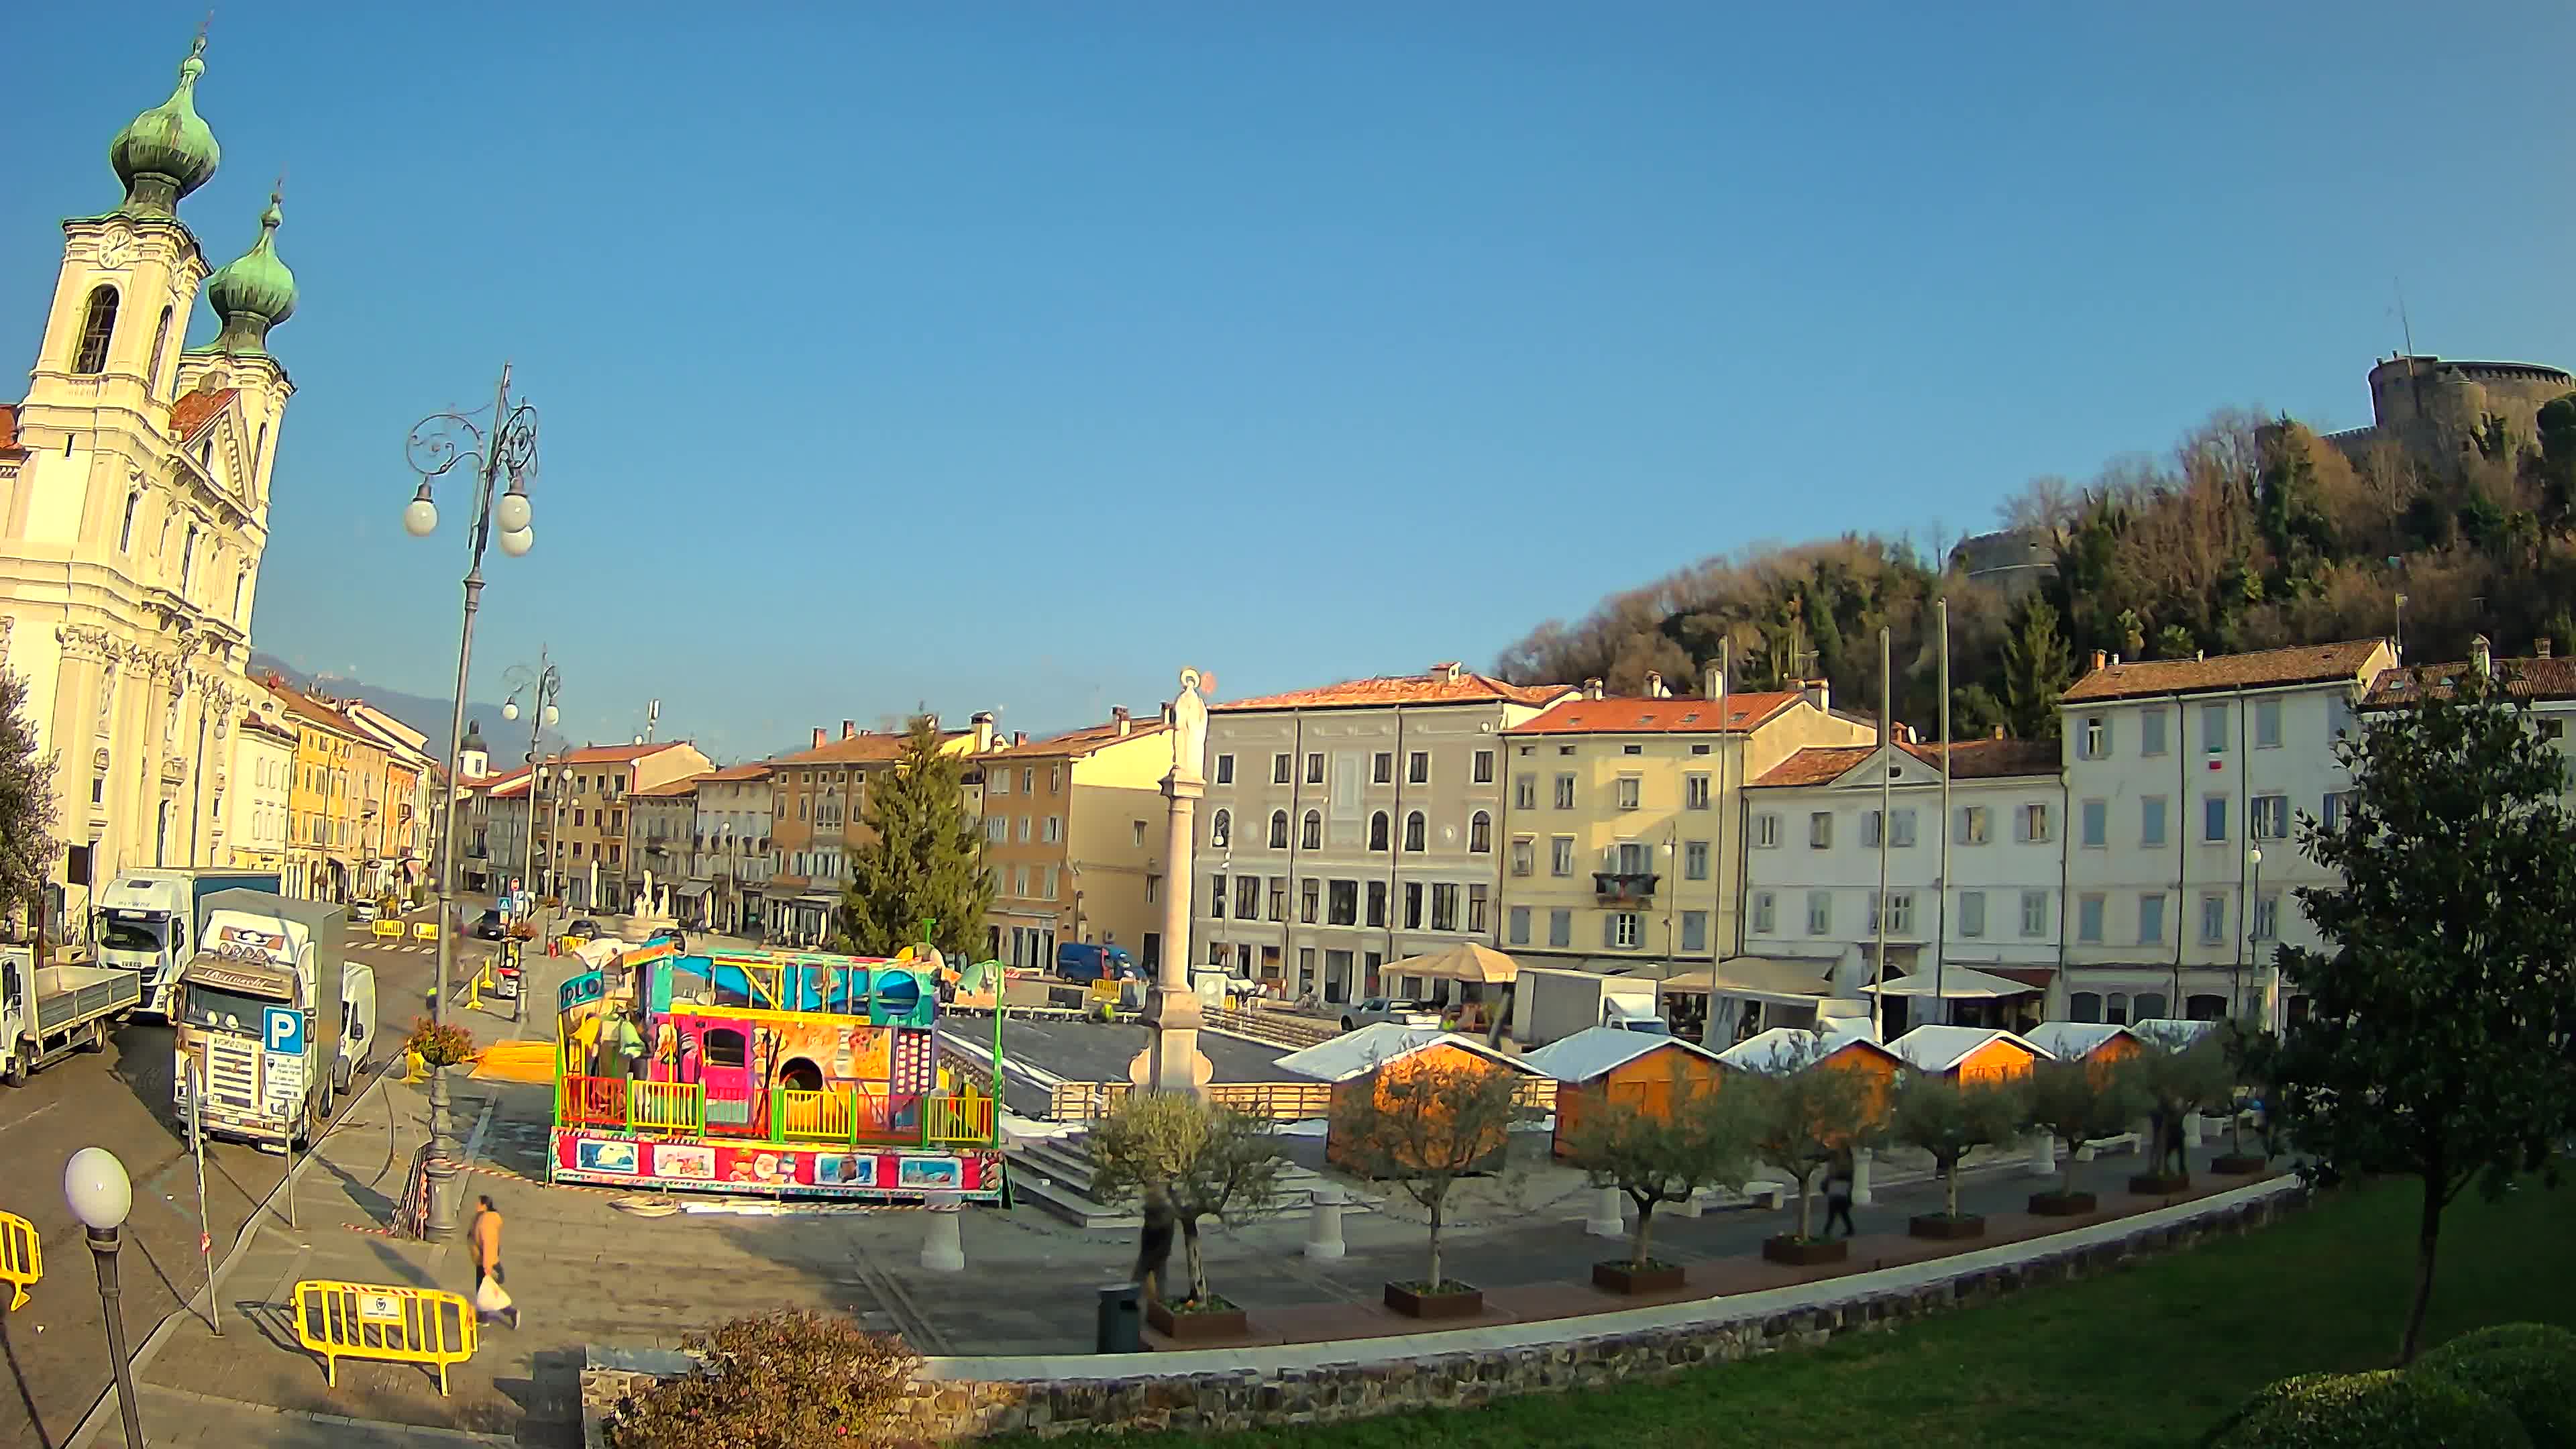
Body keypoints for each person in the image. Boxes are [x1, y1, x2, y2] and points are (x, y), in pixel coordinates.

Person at [468, 1195, 519, 1329]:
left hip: (486, 1262)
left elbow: (489, 1246)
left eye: (478, 1203)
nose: (476, 1205)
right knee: (485, 1292)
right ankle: (484, 1317)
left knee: (487, 1293)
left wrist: (487, 1267)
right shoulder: (482, 1217)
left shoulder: (486, 1222)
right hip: (484, 1260)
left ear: (485, 1205)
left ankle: (510, 1312)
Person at [1824, 1147, 1858, 1238]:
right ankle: (1849, 1229)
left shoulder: (1844, 1161)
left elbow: (1843, 1174)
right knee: (1842, 1212)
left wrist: (1831, 1178)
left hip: (1839, 1188)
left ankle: (1826, 1232)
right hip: (1840, 1188)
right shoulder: (1843, 1159)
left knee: (1834, 1212)